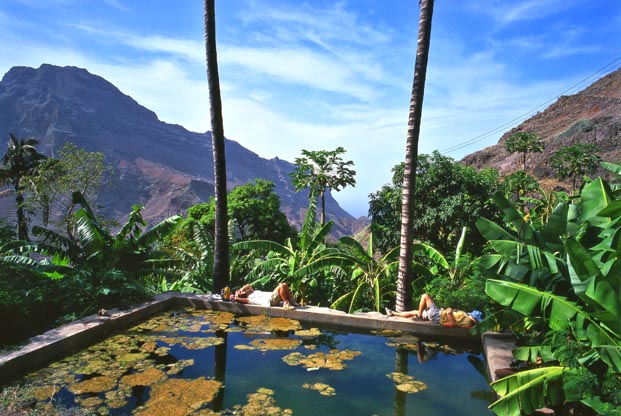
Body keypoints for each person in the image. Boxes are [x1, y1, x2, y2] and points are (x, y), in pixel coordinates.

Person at [385, 293, 481, 327]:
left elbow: (453, 324)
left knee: (425, 296)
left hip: (437, 316)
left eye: (475, 319)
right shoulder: (467, 317)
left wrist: (450, 314)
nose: (473, 318)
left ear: (474, 320)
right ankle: (393, 313)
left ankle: (419, 316)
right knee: (413, 312)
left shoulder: (468, 322)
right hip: (438, 314)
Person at [231, 283, 299, 310]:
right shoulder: (249, 299)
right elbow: (237, 299)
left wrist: (241, 289)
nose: (238, 291)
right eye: (238, 292)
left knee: (285, 285)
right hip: (270, 300)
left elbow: (248, 285)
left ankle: (291, 301)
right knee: (282, 286)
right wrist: (237, 296)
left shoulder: (253, 292)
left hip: (272, 296)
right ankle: (286, 304)